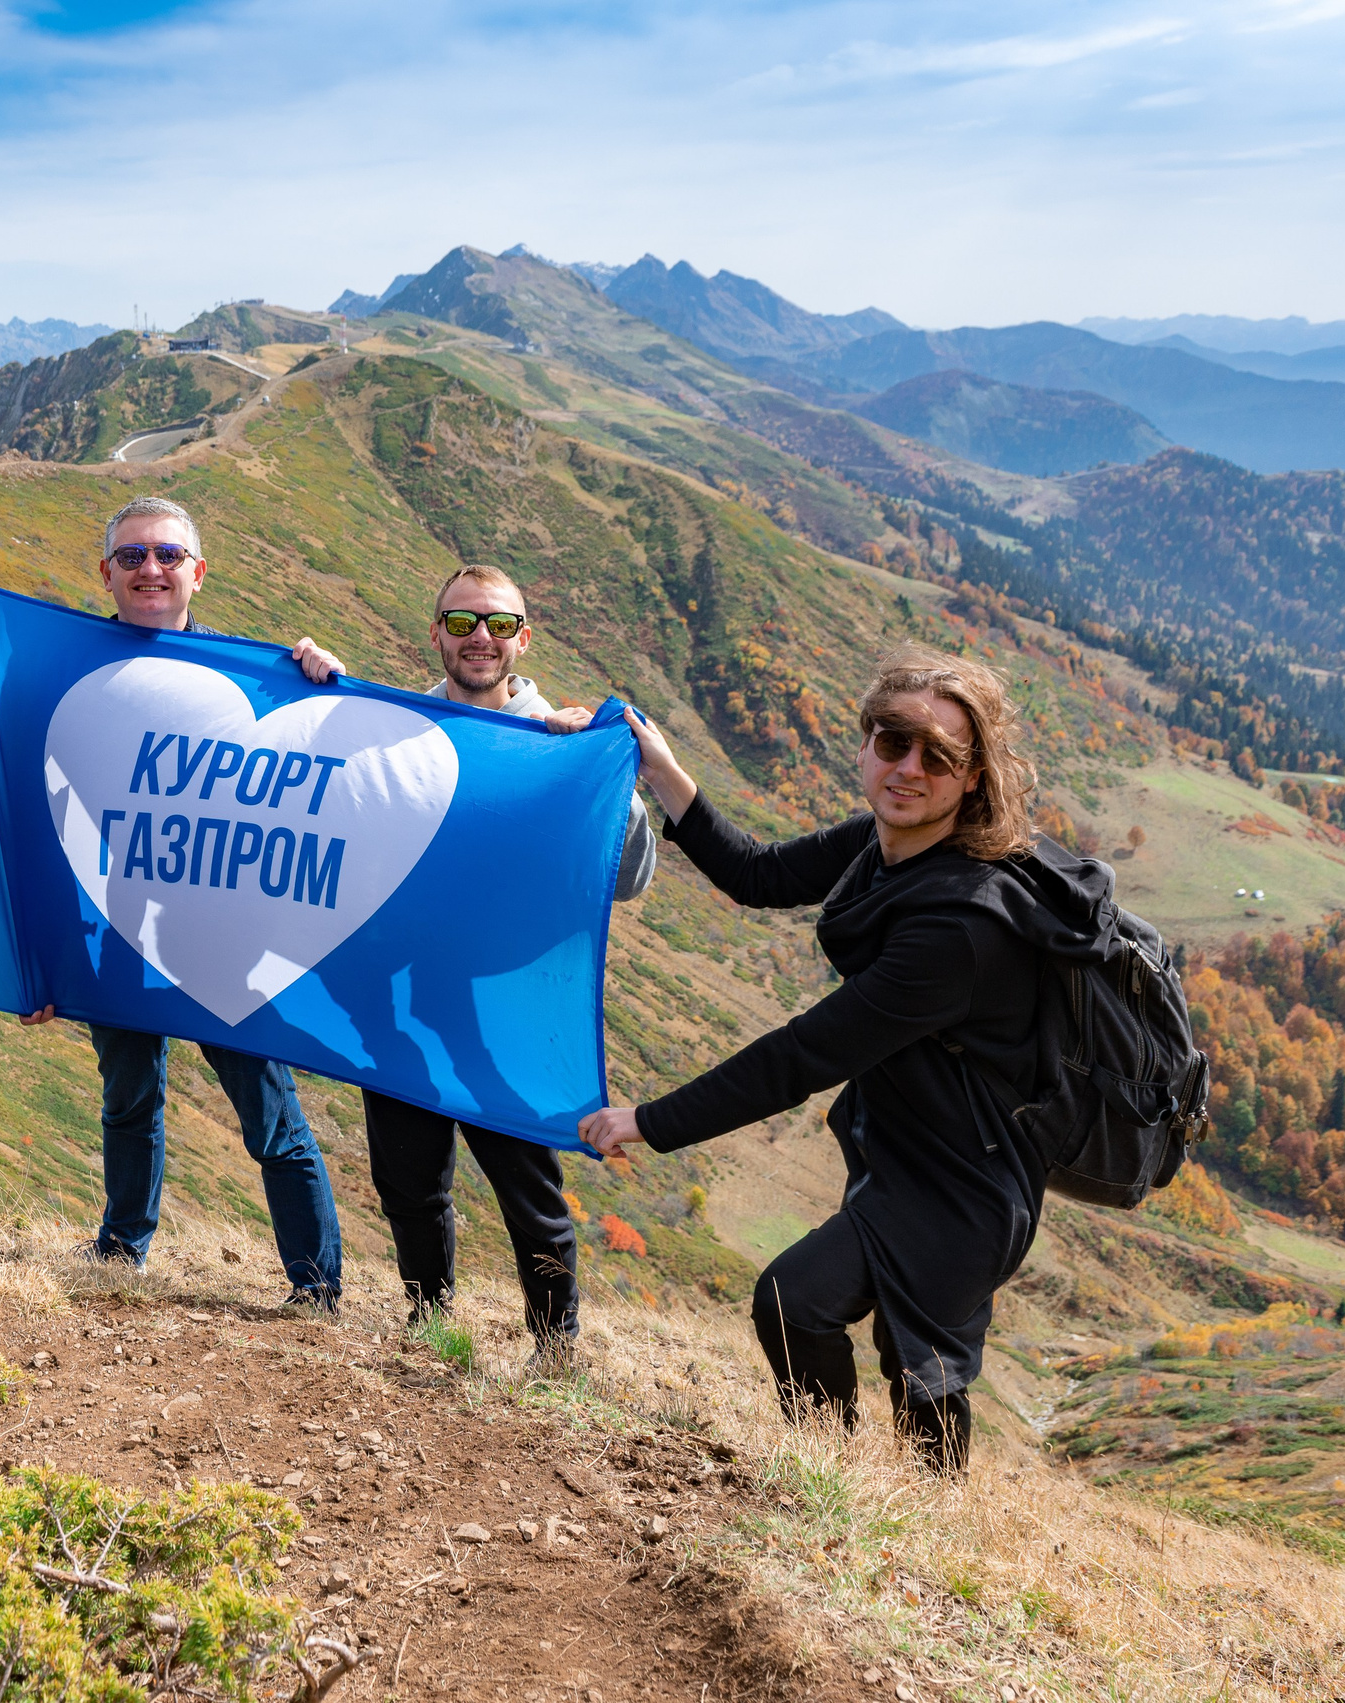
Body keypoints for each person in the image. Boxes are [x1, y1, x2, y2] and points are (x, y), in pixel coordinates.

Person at [580, 645, 1086, 1473]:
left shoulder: (962, 925)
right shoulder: (886, 840)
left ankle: (889, 1509)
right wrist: (659, 764)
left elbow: (802, 1055)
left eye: (940, 756)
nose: (909, 767)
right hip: (907, 1153)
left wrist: (647, 1121)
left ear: (972, 778)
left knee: (884, 1351)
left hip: (968, 1185)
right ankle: (837, 1482)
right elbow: (756, 873)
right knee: (854, 1330)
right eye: (893, 741)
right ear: (864, 746)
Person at [20, 495, 351, 1307]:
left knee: (270, 1117)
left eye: (167, 555)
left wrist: (321, 679)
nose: (150, 570)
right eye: (131, 557)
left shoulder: (258, 680)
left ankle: (317, 1287)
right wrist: (44, 954)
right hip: (119, 929)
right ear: (106, 572)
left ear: (197, 571)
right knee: (128, 1097)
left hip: (223, 941)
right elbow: (38, 809)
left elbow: (330, 771)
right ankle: (121, 1248)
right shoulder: (70, 670)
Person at [360, 563, 658, 1366]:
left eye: (497, 623)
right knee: (409, 1186)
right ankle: (430, 1329)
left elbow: (628, 879)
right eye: (460, 623)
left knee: (529, 1190)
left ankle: (555, 1350)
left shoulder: (558, 741)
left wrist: (599, 775)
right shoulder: (401, 733)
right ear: (436, 634)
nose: (479, 638)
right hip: (406, 1006)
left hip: (509, 1011)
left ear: (524, 637)